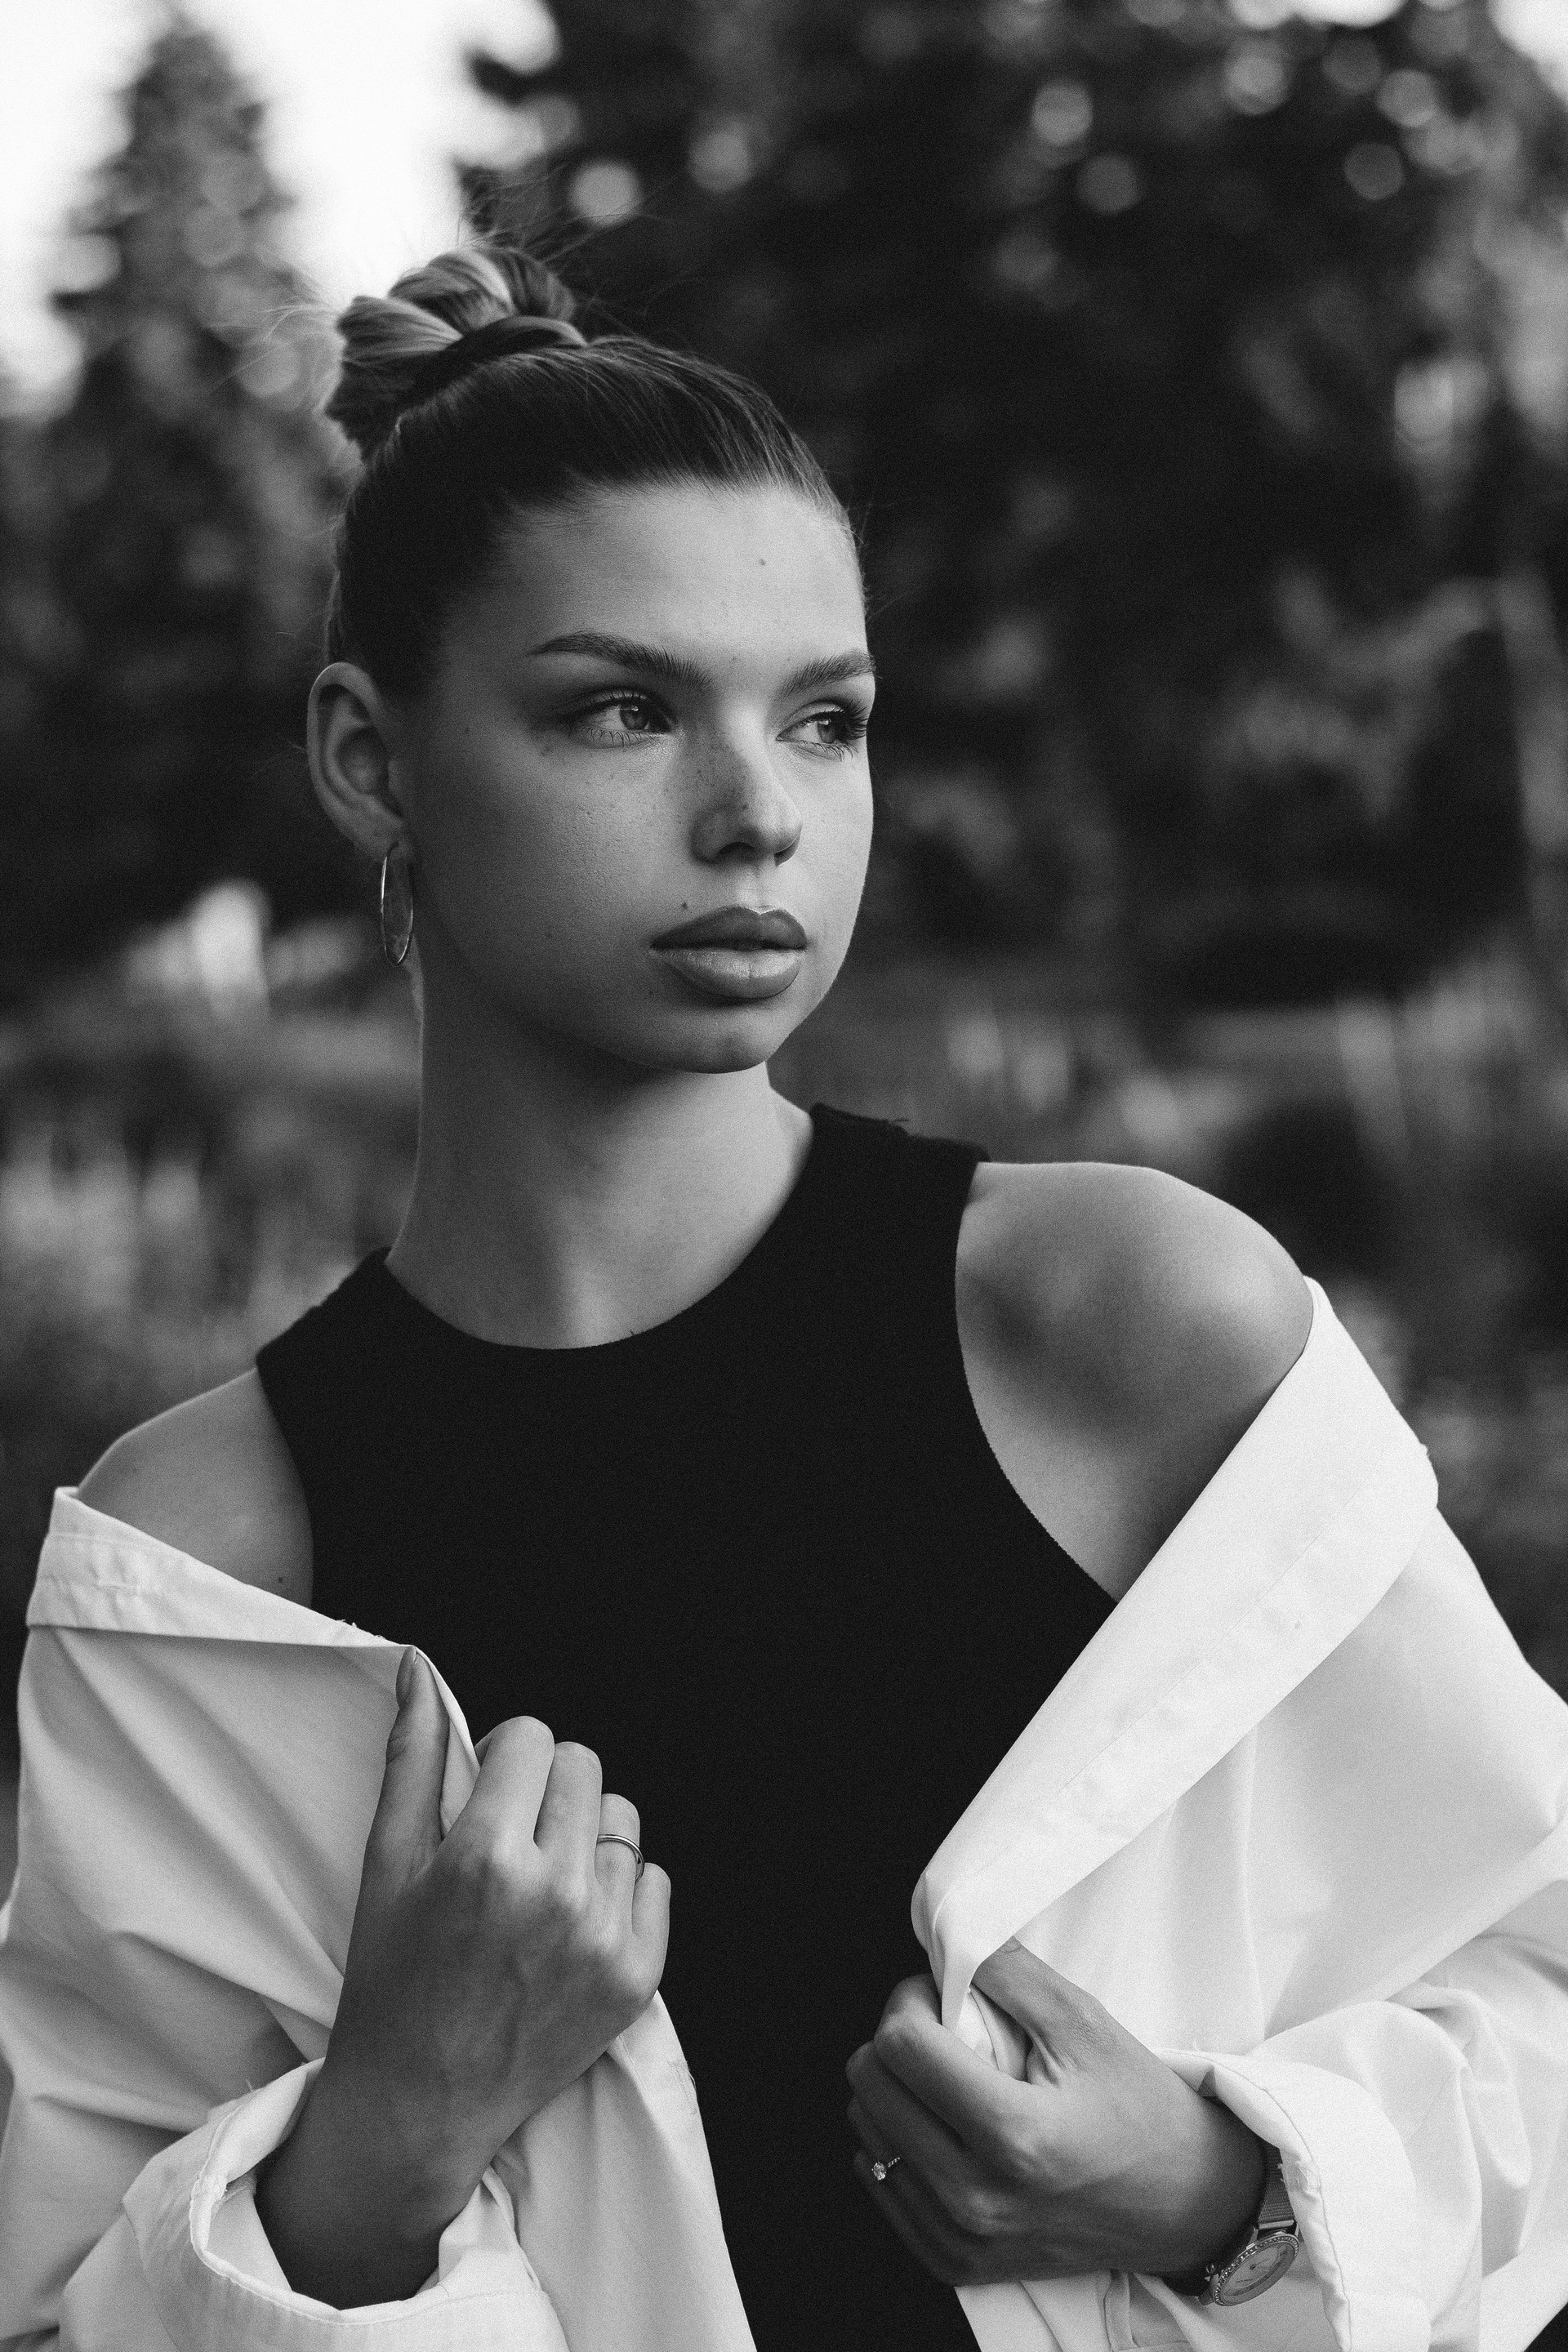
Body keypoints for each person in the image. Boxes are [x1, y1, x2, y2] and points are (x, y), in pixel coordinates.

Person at [2, 241, 1566, 2352]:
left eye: (824, 719)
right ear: (371, 759)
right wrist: (375, 2150)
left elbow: (1543, 1977)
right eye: (623, 710)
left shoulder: (1124, 1327)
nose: (758, 817)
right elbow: (65, 2313)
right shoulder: (200, 1569)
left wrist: (1220, 2190)